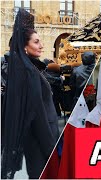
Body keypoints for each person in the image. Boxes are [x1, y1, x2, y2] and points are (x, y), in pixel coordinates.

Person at [1, 9, 59, 179]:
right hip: (41, 142)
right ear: (25, 47)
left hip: (35, 141)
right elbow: (37, 113)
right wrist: (51, 149)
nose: (41, 45)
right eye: (36, 42)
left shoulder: (27, 68)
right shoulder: (28, 72)